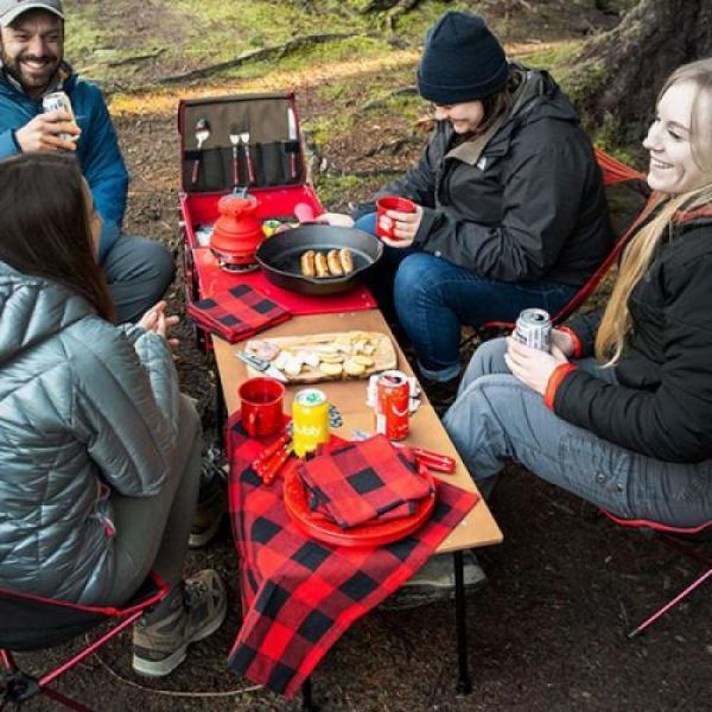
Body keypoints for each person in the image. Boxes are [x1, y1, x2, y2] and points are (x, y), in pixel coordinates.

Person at [443, 58, 712, 533]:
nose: (649, 140)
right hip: (645, 386)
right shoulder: (682, 211)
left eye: (674, 133)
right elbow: (642, 319)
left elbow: (681, 429)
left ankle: (434, 557)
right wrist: (569, 341)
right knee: (492, 358)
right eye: (656, 122)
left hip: (686, 479)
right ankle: (469, 498)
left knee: (489, 406)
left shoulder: (705, 260)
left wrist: (560, 384)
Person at [0, 153, 226, 678]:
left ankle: (198, 515)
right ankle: (165, 622)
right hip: (56, 592)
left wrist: (122, 347)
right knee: (184, 418)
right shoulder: (84, 350)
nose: (101, 219)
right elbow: (145, 469)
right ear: (63, 239)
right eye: (90, 212)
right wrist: (148, 353)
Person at [320, 11, 614, 390]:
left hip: (546, 281)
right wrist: (359, 213)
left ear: (484, 89)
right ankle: (389, 338)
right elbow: (423, 179)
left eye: (447, 106)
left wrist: (430, 229)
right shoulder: (467, 115)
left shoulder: (546, 145)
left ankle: (441, 381)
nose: (438, 116)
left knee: (420, 279)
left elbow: (522, 256)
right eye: (436, 105)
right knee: (366, 232)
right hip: (483, 239)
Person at [0, 0, 174, 324]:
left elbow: (108, 174)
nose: (38, 51)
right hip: (12, 258)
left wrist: (91, 244)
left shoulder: (84, 97)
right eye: (23, 37)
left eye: (51, 37)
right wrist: (14, 145)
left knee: (151, 262)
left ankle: (74, 333)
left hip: (77, 246)